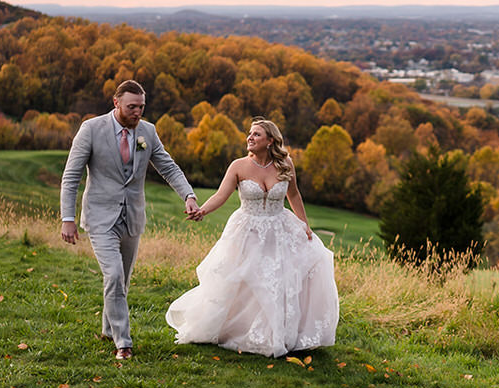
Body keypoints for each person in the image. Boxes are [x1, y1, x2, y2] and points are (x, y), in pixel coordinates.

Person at [167, 118, 339, 357]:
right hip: (247, 230)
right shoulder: (238, 166)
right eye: (249, 133)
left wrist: (305, 225)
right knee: (246, 280)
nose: (250, 137)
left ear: (270, 141)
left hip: (279, 229)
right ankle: (240, 328)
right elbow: (222, 194)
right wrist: (202, 210)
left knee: (280, 280)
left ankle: (277, 333)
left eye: (256, 134)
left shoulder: (285, 163)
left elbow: (294, 195)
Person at [60, 80, 201, 360]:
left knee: (120, 282)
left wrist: (189, 195)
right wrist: (67, 218)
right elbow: (71, 175)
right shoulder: (91, 129)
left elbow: (168, 167)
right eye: (132, 107)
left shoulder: (147, 131)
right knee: (112, 275)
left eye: (141, 107)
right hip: (101, 217)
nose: (137, 112)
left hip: (132, 217)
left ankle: (107, 329)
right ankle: (123, 343)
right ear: (116, 103)